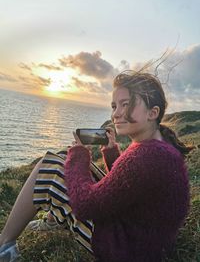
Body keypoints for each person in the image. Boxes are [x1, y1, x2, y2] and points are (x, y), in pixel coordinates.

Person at [0, 70, 191, 262]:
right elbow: (127, 185)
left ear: (153, 112)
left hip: (126, 248)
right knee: (67, 158)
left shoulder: (147, 156)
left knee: (50, 166)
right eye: (114, 106)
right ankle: (53, 219)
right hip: (142, 236)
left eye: (126, 104)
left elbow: (86, 206)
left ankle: (4, 246)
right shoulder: (158, 147)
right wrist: (110, 152)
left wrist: (79, 156)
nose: (116, 114)